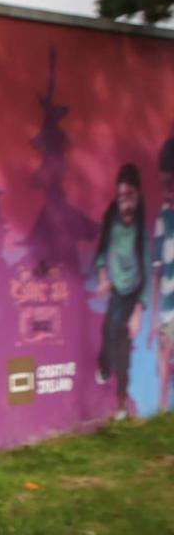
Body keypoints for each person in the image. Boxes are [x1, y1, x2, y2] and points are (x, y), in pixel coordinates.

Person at [91, 163, 147, 419]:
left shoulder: (141, 226)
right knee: (107, 331)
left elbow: (146, 267)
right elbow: (101, 252)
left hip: (133, 291)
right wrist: (103, 276)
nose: (125, 202)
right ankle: (104, 367)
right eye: (121, 196)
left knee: (122, 345)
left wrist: (138, 311)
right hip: (116, 286)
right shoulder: (111, 219)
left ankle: (121, 404)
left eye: (130, 197)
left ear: (137, 195)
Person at [151, 140, 174, 413]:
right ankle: (161, 411)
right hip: (168, 309)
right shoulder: (162, 219)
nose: (167, 191)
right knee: (164, 354)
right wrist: (156, 315)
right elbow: (157, 272)